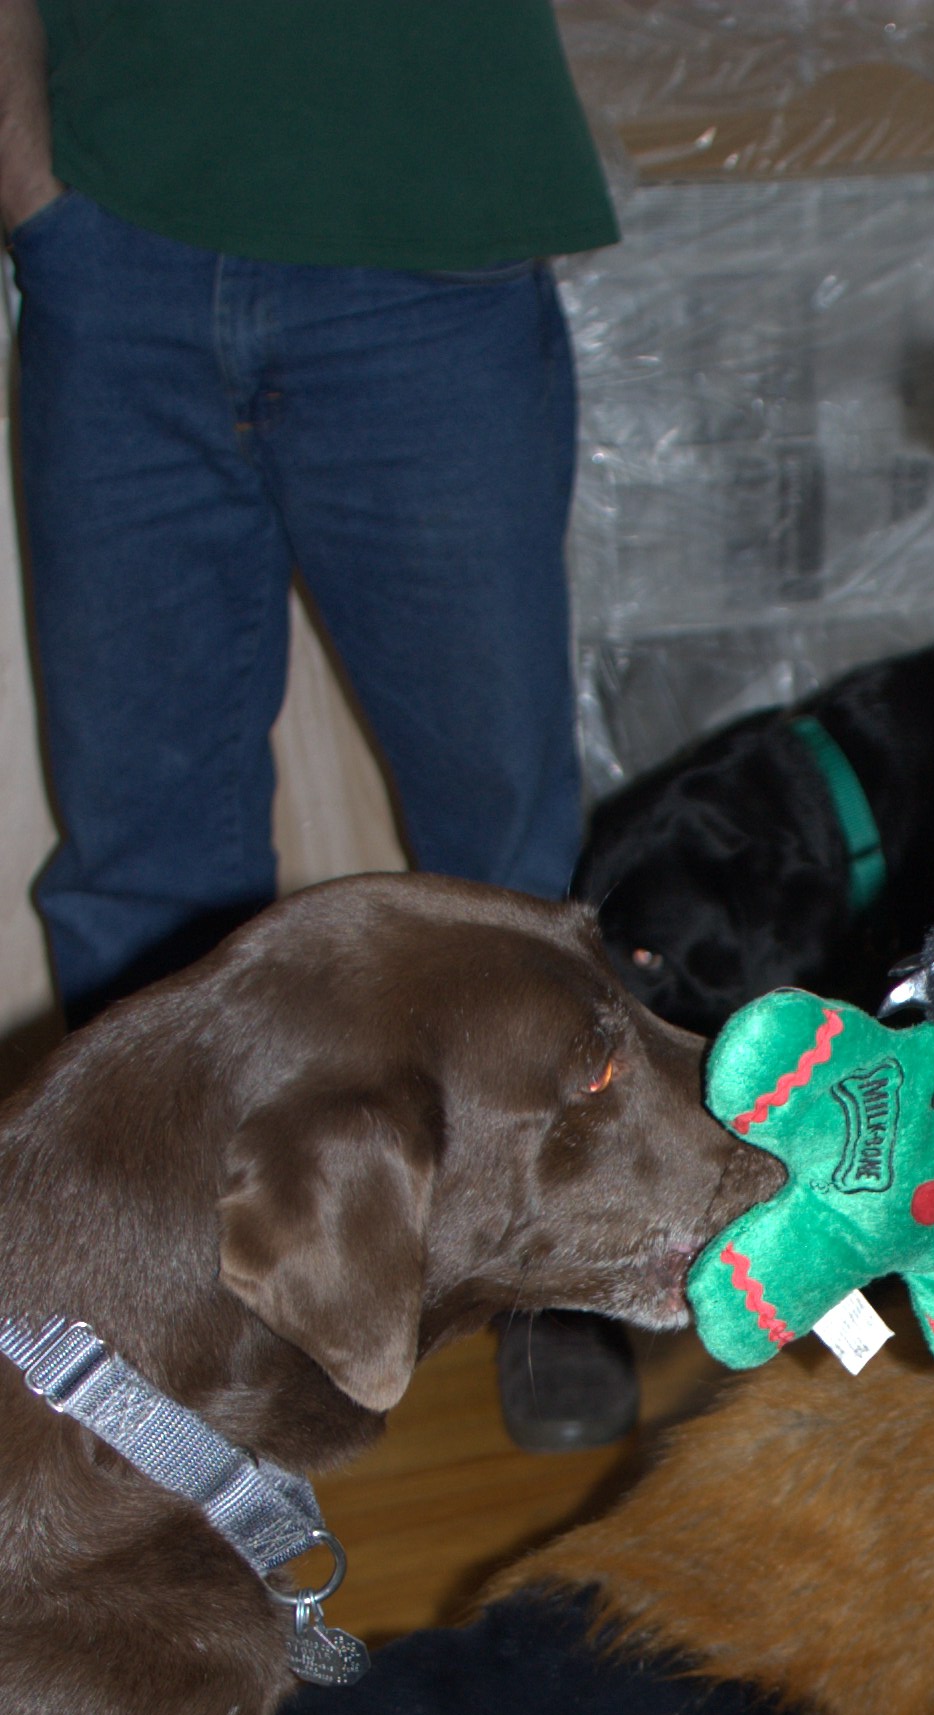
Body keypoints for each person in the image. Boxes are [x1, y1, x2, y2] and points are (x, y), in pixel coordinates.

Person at [0, 0, 642, 1449]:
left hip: (430, 259)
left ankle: (563, 1273)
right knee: (137, 866)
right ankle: (144, 1318)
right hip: (116, 251)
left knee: (502, 840)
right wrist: (37, 196)